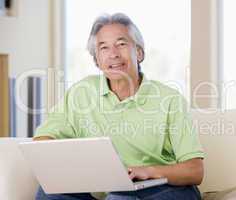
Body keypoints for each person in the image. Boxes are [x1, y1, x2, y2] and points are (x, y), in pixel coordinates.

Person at [34, 13, 205, 200]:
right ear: (97, 60)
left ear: (139, 53)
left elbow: (195, 170)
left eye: (121, 44)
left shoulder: (170, 99)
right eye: (104, 47)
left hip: (162, 188)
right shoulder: (81, 92)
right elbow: (44, 139)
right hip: (106, 191)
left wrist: (149, 171)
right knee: (48, 192)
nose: (113, 54)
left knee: (119, 198)